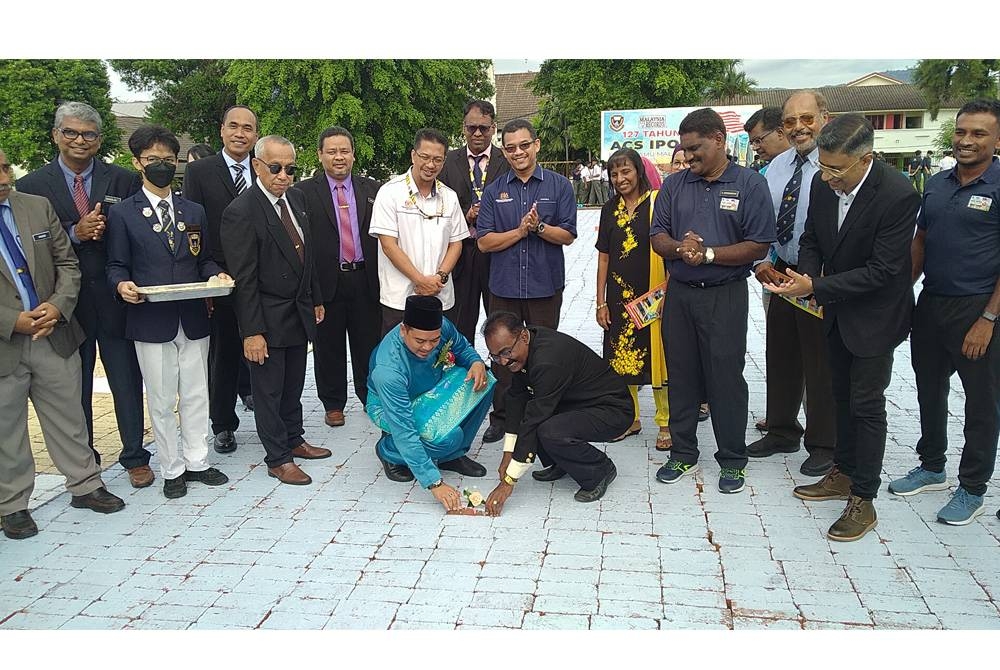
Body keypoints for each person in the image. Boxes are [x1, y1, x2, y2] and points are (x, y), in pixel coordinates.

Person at [768, 114, 920, 542]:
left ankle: (864, 499)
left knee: (866, 404)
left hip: (875, 317)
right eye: (825, 166)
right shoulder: (821, 182)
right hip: (832, 309)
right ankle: (842, 473)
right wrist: (809, 282)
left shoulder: (897, 194)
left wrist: (815, 284)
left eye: (837, 169)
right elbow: (812, 238)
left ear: (865, 158)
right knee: (839, 395)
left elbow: (884, 270)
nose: (829, 177)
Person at [16, 102, 148, 487]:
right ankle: (85, 462)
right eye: (71, 132)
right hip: (65, 304)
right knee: (76, 388)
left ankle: (135, 455)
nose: (79, 140)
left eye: (89, 134)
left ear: (100, 140)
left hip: (115, 297)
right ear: (56, 135)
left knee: (126, 380)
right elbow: (34, 249)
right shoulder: (32, 188)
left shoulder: (122, 180)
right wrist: (75, 232)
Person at [649, 108, 776, 494]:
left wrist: (708, 255)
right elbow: (658, 236)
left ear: (719, 139)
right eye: (684, 150)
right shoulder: (675, 186)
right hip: (681, 296)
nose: (687, 158)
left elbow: (759, 244)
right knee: (682, 376)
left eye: (694, 149)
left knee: (725, 379)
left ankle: (733, 459)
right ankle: (684, 453)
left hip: (726, 296)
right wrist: (682, 249)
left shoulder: (750, 185)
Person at [1, 148, 125, 540]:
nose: (4, 177)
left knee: (69, 415)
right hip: (6, 341)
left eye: (5, 167)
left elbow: (67, 263)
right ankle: (13, 505)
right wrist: (11, 321)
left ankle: (86, 485)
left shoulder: (36, 206)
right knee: (7, 429)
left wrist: (57, 306)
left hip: (53, 332)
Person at [889, 99, 1000, 525]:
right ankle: (932, 465)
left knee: (981, 403)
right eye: (961, 132)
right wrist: (904, 289)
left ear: (995, 140)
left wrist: (988, 320)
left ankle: (972, 487)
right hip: (932, 303)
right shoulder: (935, 183)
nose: (966, 141)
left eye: (978, 134)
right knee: (928, 388)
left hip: (978, 308)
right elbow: (920, 238)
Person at [106, 125, 231, 499]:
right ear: (137, 163)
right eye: (152, 160)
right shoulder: (125, 213)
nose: (160, 165)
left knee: (196, 394)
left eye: (166, 159)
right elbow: (115, 264)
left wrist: (216, 275)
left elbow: (203, 259)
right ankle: (172, 467)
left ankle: (198, 462)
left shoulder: (193, 210)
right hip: (149, 318)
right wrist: (121, 285)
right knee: (161, 399)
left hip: (192, 316)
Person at [220, 135, 330, 486]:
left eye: (290, 169)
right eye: (276, 167)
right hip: (265, 318)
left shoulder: (294, 200)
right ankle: (277, 457)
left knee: (293, 383)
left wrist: (315, 299)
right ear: (257, 166)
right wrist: (251, 332)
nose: (284, 175)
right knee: (267, 390)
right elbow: (244, 279)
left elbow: (307, 257)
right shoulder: (241, 211)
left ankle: (294, 438)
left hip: (297, 311)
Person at [749, 91, 837, 477]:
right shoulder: (778, 166)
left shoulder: (837, 163)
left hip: (820, 275)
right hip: (780, 272)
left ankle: (824, 443)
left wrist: (816, 279)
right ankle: (782, 430)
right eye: (790, 121)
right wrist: (761, 261)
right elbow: (762, 220)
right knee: (781, 354)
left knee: (819, 362)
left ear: (824, 118)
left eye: (807, 118)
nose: (799, 127)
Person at [477, 119, 577, 448]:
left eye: (524, 145)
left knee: (544, 356)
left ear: (536, 145)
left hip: (544, 286)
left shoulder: (560, 186)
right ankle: (503, 419)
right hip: (504, 288)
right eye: (510, 147)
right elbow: (484, 242)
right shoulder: (494, 191)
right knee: (503, 358)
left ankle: (544, 419)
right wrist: (519, 232)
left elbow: (568, 235)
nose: (517, 152)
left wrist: (539, 229)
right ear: (503, 151)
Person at [482, 312, 632, 514]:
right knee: (535, 413)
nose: (502, 362)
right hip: (577, 401)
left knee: (550, 430)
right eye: (495, 356)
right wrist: (508, 453)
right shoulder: (526, 346)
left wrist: (508, 482)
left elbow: (533, 420)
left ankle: (600, 470)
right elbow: (517, 399)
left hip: (613, 409)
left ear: (523, 337)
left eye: (506, 352)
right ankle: (563, 463)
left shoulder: (547, 360)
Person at [183, 105, 260, 454]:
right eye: (234, 126)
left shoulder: (266, 168)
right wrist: (208, 272)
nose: (240, 133)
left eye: (248, 128)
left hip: (264, 277)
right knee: (225, 355)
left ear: (256, 134)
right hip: (223, 277)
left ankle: (272, 420)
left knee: (264, 351)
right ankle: (224, 424)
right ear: (222, 130)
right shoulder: (200, 171)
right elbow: (193, 227)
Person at [367, 295, 491, 509]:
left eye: (434, 341)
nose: (427, 348)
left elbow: (461, 347)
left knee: (483, 381)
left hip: (430, 390)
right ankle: (389, 450)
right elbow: (404, 429)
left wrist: (476, 361)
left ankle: (452, 455)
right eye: (420, 341)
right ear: (404, 330)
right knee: (446, 438)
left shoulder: (442, 326)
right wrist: (434, 483)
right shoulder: (388, 370)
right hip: (393, 407)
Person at [294, 126, 381, 429]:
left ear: (353, 154)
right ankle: (333, 404)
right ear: (320, 155)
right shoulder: (303, 193)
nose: (339, 157)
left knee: (368, 342)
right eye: (331, 151)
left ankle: (370, 396)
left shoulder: (372, 189)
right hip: (326, 280)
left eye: (344, 150)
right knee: (327, 346)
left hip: (365, 278)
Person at [596, 148, 670, 450]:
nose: (620, 178)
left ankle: (665, 423)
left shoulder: (657, 203)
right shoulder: (609, 208)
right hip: (618, 299)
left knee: (658, 359)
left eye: (625, 171)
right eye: (614, 174)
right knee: (621, 359)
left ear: (638, 171)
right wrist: (601, 302)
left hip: (653, 296)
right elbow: (603, 257)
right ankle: (630, 418)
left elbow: (669, 248)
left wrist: (668, 291)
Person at [370, 128, 467, 335]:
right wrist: (420, 280)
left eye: (437, 160)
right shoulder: (390, 192)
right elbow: (388, 245)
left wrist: (439, 277)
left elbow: (456, 243)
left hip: (440, 296)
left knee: (439, 358)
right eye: (425, 157)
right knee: (399, 361)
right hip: (400, 299)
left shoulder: (449, 197)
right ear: (413, 155)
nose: (430, 165)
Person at [439, 100, 510, 349]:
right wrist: (464, 215)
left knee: (500, 322)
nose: (477, 133)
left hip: (497, 252)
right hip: (461, 252)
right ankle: (460, 377)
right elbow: (438, 206)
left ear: (494, 128)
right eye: (472, 128)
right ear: (463, 128)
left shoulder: (507, 160)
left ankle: (503, 378)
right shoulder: (447, 162)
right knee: (459, 322)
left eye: (484, 128)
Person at [744, 107, 790, 175]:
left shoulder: (805, 165)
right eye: (752, 143)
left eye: (758, 141)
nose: (755, 148)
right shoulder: (760, 173)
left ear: (780, 133)